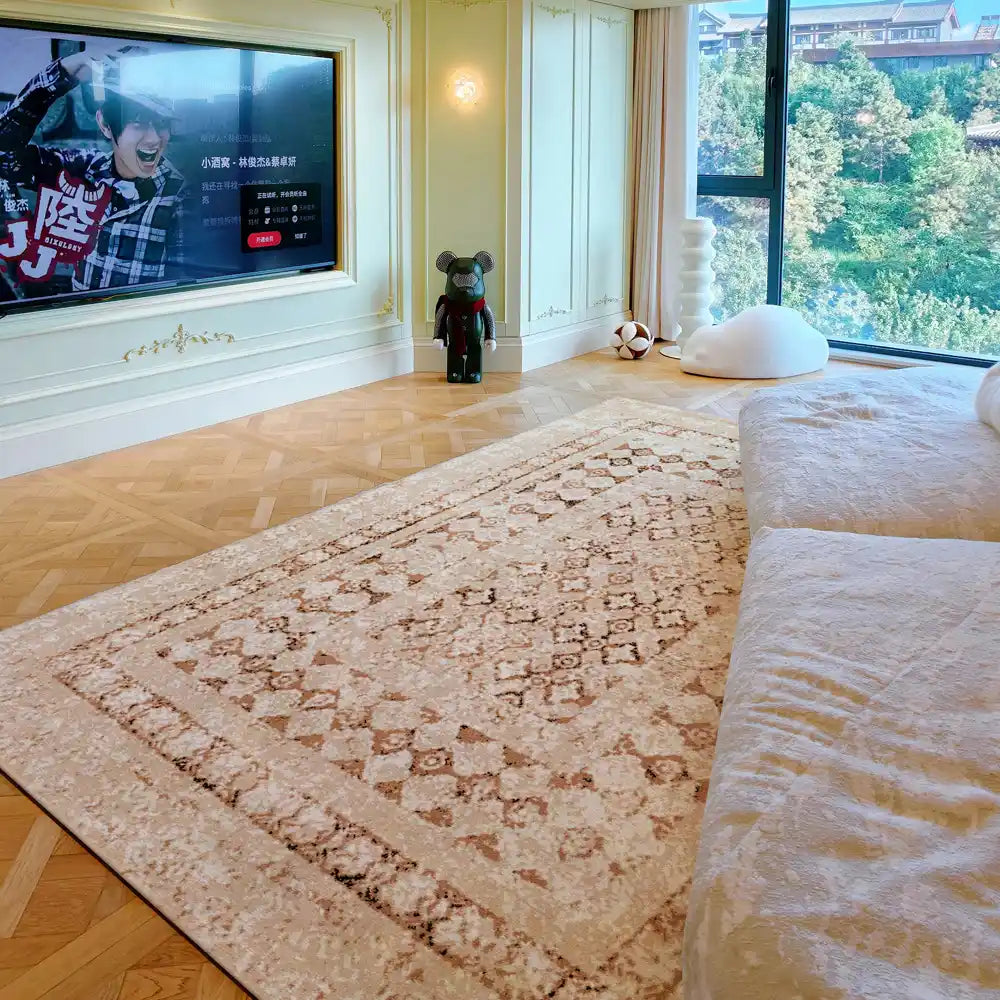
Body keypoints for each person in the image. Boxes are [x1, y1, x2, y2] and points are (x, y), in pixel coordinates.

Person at [0, 42, 186, 293]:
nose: (154, 138)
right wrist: (66, 70)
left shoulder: (180, 194)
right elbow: (4, 155)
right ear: (106, 124)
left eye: (162, 122)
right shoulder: (86, 169)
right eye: (139, 121)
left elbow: (186, 292)